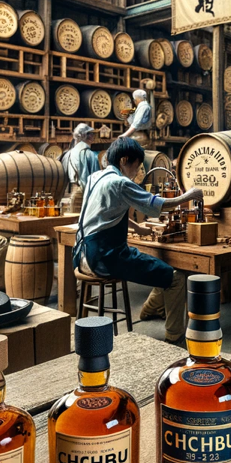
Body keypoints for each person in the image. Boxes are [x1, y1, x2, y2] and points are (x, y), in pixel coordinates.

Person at [74, 137, 203, 344]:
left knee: (159, 269)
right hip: (105, 257)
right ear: (125, 160)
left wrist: (136, 227)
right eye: (137, 165)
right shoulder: (120, 182)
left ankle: (149, 310)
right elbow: (158, 205)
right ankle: (174, 336)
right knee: (176, 277)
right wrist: (188, 196)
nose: (137, 171)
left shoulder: (94, 177)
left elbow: (103, 213)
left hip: (82, 254)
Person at [60, 123, 100, 212]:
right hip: (82, 194)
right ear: (86, 136)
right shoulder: (90, 154)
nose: (93, 136)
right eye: (91, 134)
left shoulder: (67, 154)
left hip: (67, 193)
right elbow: (96, 180)